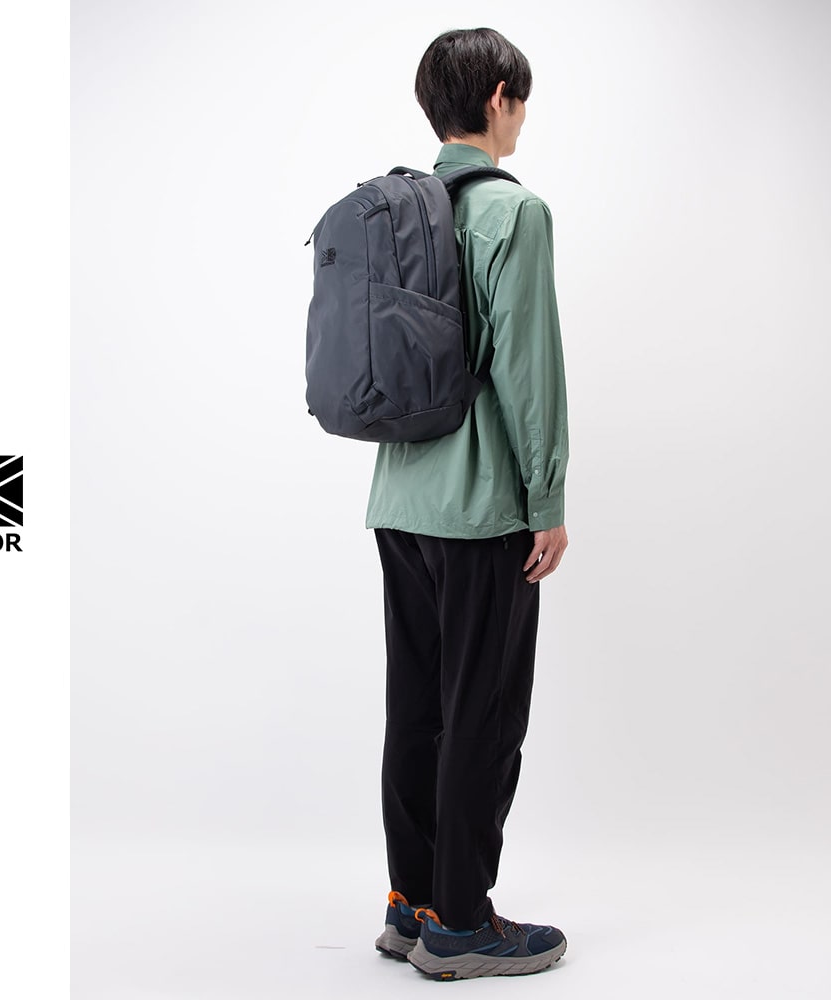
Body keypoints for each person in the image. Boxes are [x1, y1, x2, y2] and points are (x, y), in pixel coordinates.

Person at [367, 27, 570, 980]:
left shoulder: (399, 209)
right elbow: (529, 368)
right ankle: (460, 924)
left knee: (417, 705)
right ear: (498, 97)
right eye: (520, 100)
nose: (521, 118)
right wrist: (548, 498)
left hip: (398, 497)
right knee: (481, 714)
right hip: (482, 506)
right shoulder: (511, 211)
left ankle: (410, 903)